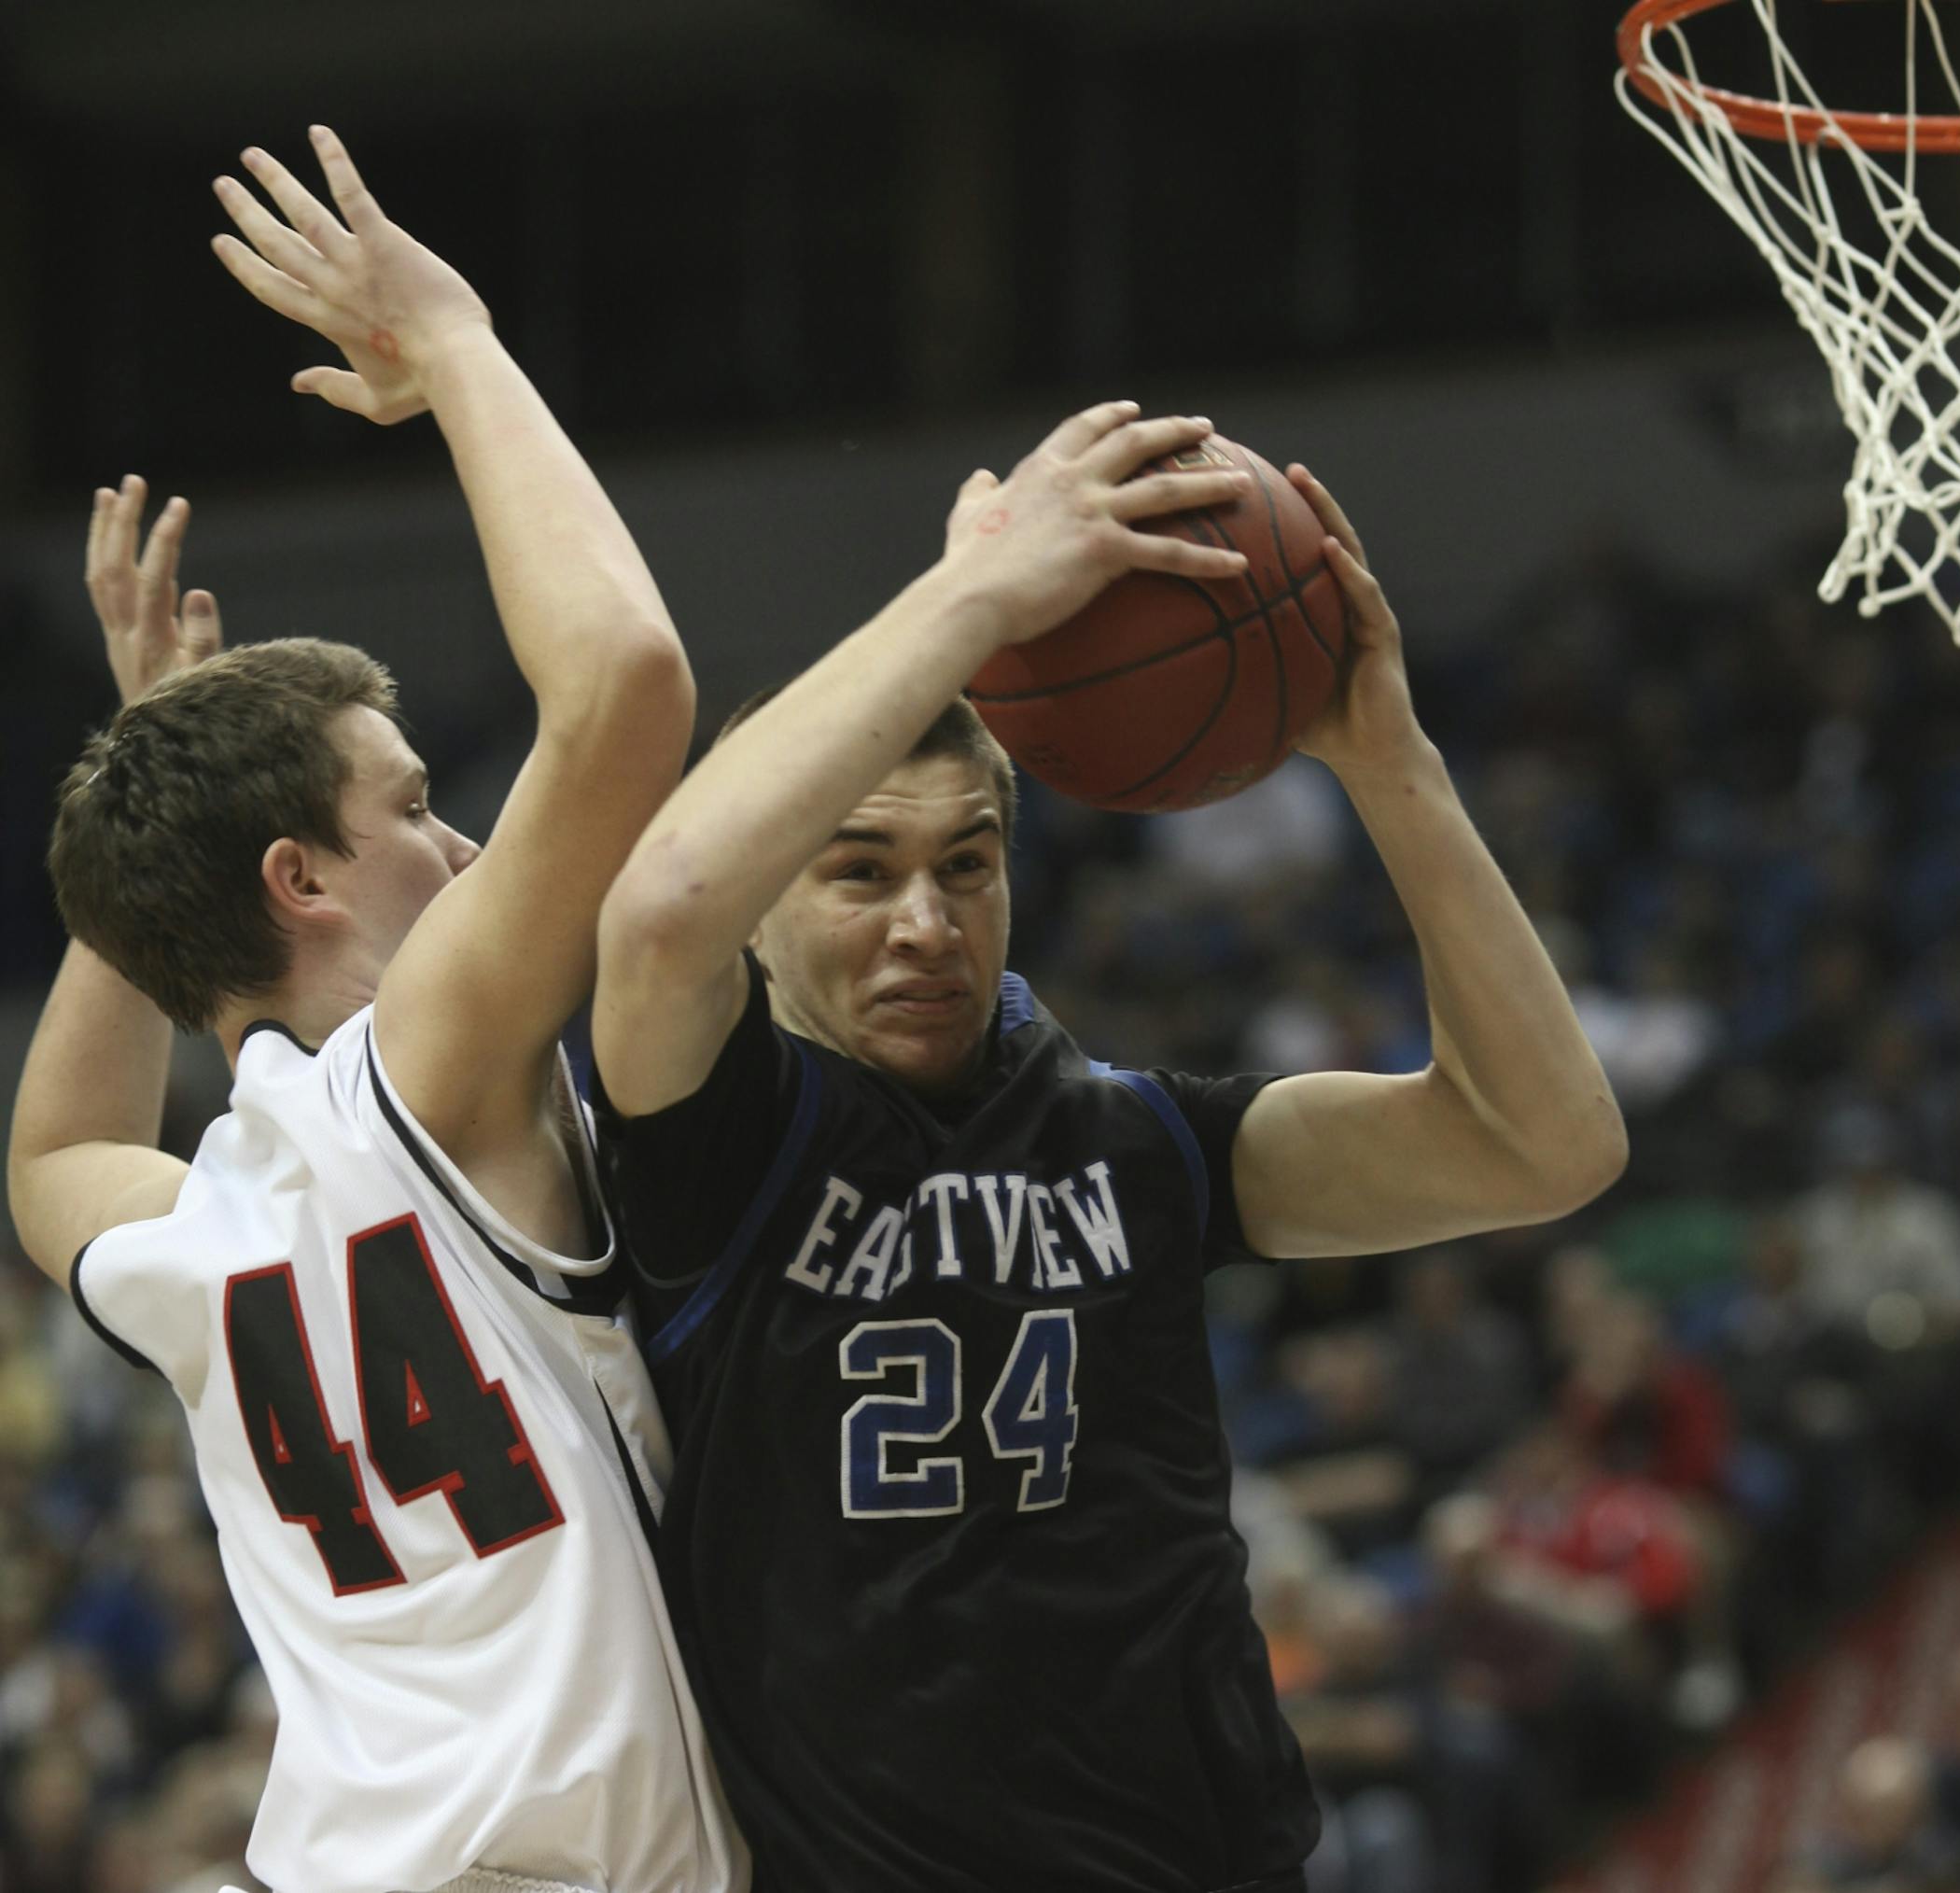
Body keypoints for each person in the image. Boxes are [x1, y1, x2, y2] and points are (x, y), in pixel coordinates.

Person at [590, 401, 1630, 1892]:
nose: (925, 923)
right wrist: (975, 602)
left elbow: (1548, 1147)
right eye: (859, 872)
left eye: (967, 864)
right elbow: (659, 909)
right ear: (766, 904)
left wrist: (1385, 761)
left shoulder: (1140, 1140)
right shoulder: (716, 1143)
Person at [6, 130, 745, 1893]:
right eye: (410, 804)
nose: (464, 837)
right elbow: (630, 685)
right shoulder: (432, 1073)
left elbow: (59, 1147)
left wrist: (151, 784)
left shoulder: (199, 1231)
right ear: (302, 883)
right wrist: (465, 346)